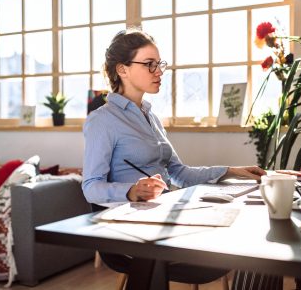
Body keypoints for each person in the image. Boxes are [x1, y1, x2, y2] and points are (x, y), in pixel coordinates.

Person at [82, 28, 282, 289]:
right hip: (130, 232)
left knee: (255, 231)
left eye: (159, 64)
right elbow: (90, 187)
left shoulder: (150, 117)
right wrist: (131, 191)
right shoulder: (103, 120)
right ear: (122, 69)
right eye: (149, 64)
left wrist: (233, 170)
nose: (159, 71)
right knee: (245, 242)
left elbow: (179, 173)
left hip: (163, 216)